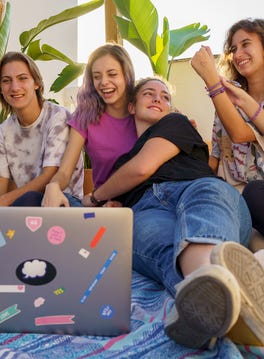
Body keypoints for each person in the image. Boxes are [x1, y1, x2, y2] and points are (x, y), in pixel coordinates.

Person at [81, 77, 264, 348]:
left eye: (165, 96)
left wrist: (96, 197)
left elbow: (142, 169)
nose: (158, 99)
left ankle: (208, 285)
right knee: (160, 246)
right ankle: (216, 301)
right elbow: (118, 196)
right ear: (131, 106)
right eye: (148, 94)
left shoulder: (175, 123)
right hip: (146, 209)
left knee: (205, 209)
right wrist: (111, 203)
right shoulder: (122, 162)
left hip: (197, 188)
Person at [191, 19, 264, 240]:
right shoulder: (229, 93)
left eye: (246, 44)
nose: (238, 53)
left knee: (255, 194)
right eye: (233, 49)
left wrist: (211, 79)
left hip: (258, 194)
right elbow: (217, 151)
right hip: (236, 194)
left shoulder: (225, 93)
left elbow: (240, 134)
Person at [41, 43, 137, 207]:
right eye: (97, 76)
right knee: (32, 199)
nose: (104, 82)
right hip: (102, 203)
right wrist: (53, 186)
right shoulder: (85, 116)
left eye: (112, 74)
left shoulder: (143, 110)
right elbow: (64, 172)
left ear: (127, 76)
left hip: (143, 202)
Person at [0, 52, 83, 207]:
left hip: (63, 202)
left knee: (27, 199)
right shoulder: (4, 130)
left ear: (36, 83)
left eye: (22, 78)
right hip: (26, 203)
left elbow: (49, 175)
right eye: (6, 81)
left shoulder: (58, 117)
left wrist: (4, 202)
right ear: (0, 88)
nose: (15, 87)